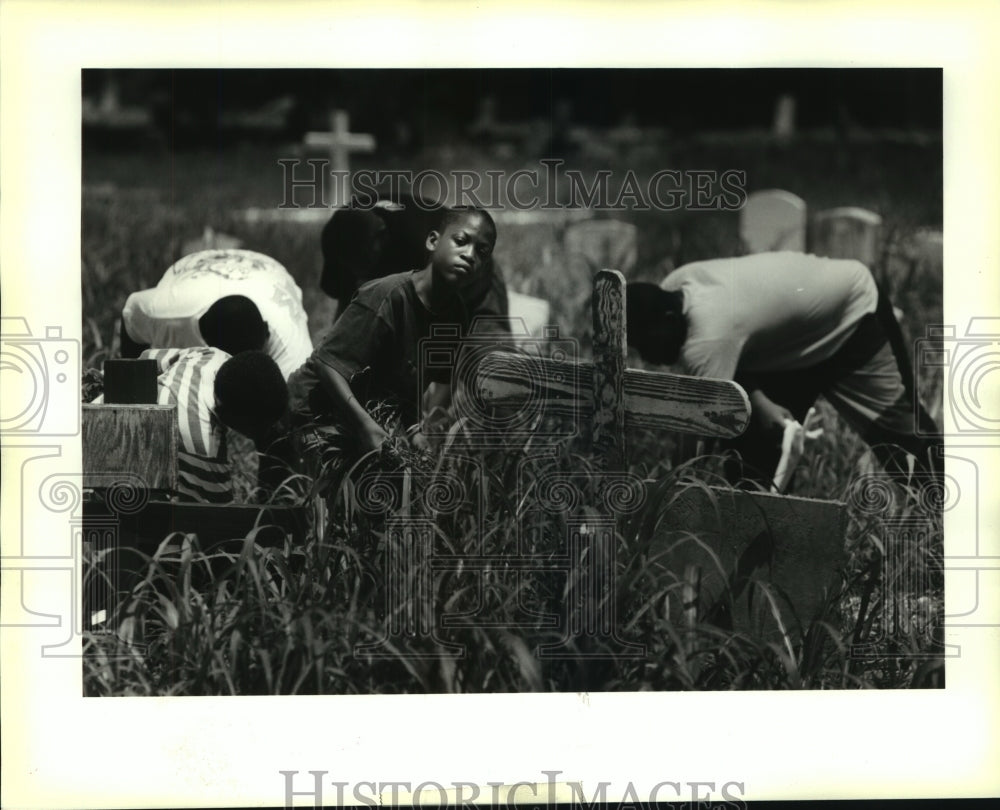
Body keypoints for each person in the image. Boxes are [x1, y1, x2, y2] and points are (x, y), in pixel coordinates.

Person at [625, 251, 942, 488]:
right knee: (756, 455)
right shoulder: (676, 284)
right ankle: (762, 554)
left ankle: (954, 515)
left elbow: (692, 451)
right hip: (789, 339)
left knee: (904, 438)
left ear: (668, 320)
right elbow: (737, 340)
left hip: (852, 316)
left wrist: (662, 510)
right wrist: (761, 404)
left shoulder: (707, 340)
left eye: (646, 343)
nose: (645, 355)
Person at [287, 206, 497, 489]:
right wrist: (366, 427)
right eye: (461, 241)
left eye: (482, 252)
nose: (470, 255)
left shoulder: (456, 314)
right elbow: (327, 364)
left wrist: (415, 430)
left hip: (367, 412)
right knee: (322, 507)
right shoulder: (386, 296)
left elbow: (418, 384)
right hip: (315, 412)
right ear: (433, 241)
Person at [95, 347, 288, 504]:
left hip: (97, 402)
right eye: (259, 427)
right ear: (232, 417)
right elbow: (219, 521)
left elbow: (146, 358)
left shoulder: (213, 356)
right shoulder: (204, 448)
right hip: (97, 453)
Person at [319, 190, 509, 331]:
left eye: (368, 261)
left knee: (488, 364)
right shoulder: (335, 234)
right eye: (356, 268)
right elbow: (344, 313)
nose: (362, 273)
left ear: (382, 236)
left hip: (475, 279)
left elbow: (433, 321)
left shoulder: (419, 243)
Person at [120, 248, 313, 379]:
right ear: (211, 349)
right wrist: (135, 385)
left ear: (266, 330)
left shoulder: (290, 346)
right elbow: (131, 313)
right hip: (194, 267)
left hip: (267, 270)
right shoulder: (161, 315)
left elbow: (290, 412)